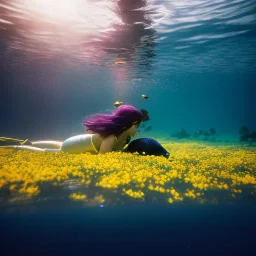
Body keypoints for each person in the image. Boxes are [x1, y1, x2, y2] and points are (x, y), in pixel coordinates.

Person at [0, 105, 143, 154]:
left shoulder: (123, 137)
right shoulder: (112, 136)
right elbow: (104, 156)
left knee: (59, 144)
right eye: (137, 126)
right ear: (132, 123)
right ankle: (13, 147)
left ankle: (28, 143)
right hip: (72, 145)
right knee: (50, 151)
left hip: (75, 141)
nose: (137, 129)